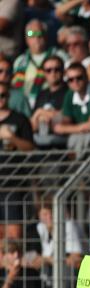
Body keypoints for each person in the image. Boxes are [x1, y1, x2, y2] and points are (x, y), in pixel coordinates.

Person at [0, 80, 34, 245]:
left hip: (13, 183)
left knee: (13, 238)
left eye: (3, 95)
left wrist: (12, 138)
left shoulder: (20, 119)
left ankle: (14, 270)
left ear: (9, 96)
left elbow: (30, 147)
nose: (0, 99)